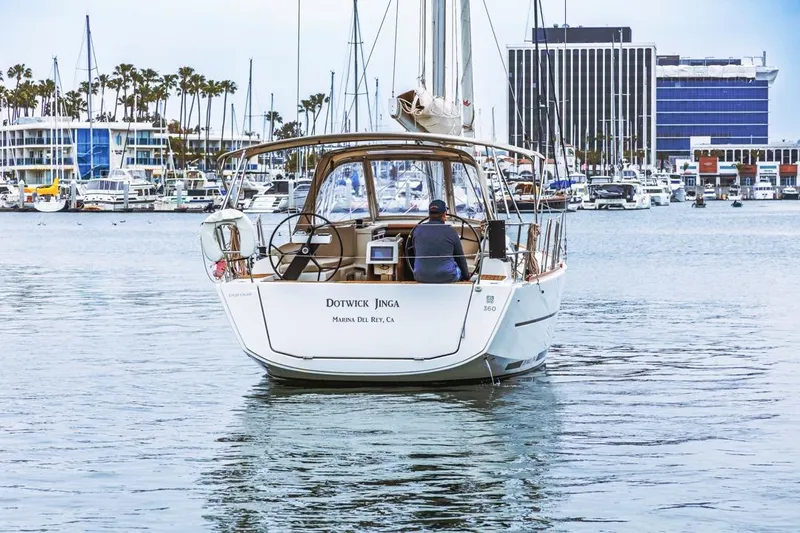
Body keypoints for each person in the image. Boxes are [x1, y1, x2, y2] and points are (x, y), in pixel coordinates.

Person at [410, 199, 471, 283]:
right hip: (447, 277)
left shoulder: (417, 230)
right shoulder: (451, 231)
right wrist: (466, 277)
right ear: (444, 214)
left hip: (420, 277)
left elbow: (416, 253)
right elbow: (460, 258)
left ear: (429, 214)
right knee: (456, 267)